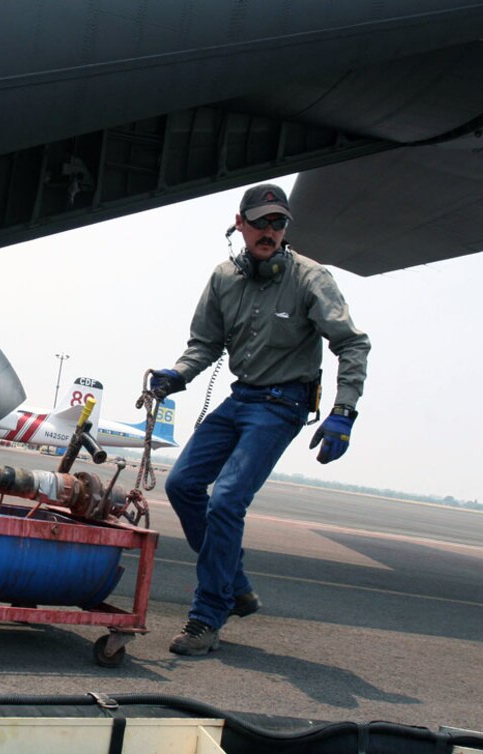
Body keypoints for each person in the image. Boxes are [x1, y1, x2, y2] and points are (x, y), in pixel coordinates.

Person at [148, 183, 370, 656]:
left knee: (226, 499)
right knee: (182, 485)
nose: (270, 231)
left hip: (282, 405)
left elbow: (352, 343)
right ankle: (235, 582)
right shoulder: (224, 277)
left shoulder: (311, 278)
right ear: (240, 224)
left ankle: (207, 616)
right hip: (240, 397)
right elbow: (205, 344)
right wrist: (177, 375)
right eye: (261, 222)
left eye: (279, 223)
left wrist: (343, 411)